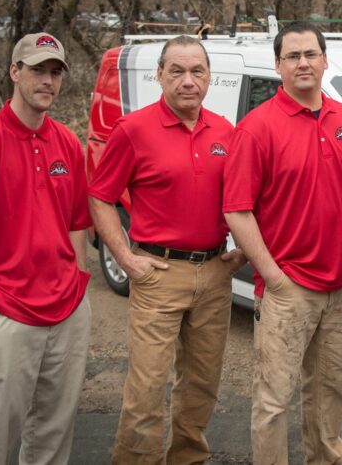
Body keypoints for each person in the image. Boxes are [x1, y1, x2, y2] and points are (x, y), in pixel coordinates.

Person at [223, 21, 342, 465]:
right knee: (273, 400)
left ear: (325, 60)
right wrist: (273, 275)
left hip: (341, 287)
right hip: (289, 288)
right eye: (293, 56)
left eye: (311, 54)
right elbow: (237, 209)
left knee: (332, 392)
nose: (303, 63)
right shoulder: (257, 128)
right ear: (278, 65)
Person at [88, 35, 244, 464]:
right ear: (159, 75)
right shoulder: (133, 130)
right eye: (177, 71)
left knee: (201, 386)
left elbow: (244, 200)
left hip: (214, 273)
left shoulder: (225, 132)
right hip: (157, 274)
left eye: (197, 71)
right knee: (147, 388)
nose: (188, 81)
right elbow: (100, 196)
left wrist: (244, 252)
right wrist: (125, 258)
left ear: (210, 76)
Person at [0, 32, 91, 464]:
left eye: (55, 72)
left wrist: (77, 284)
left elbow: (76, 223)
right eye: (37, 70)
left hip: (66, 308)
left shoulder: (68, 143)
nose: (47, 81)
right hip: (8, 310)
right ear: (14, 72)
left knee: (54, 427)